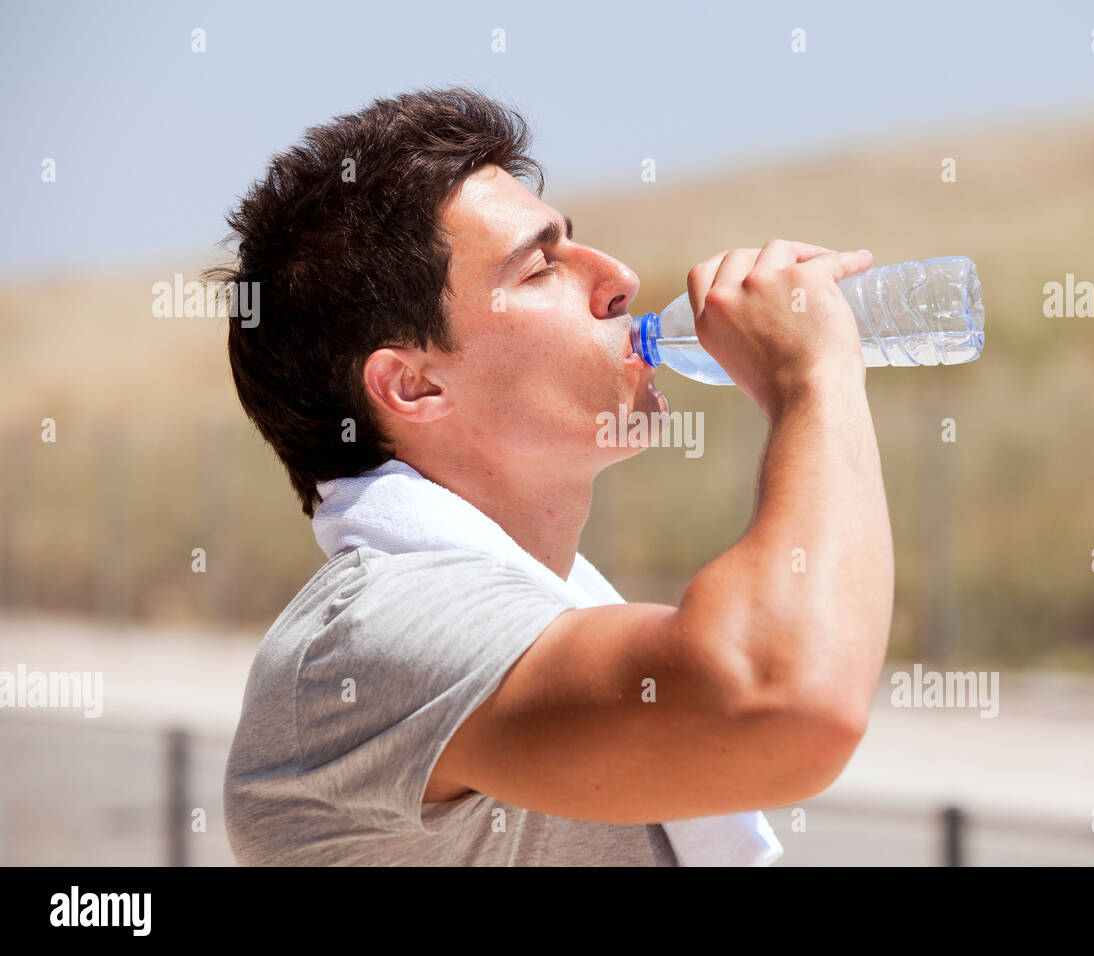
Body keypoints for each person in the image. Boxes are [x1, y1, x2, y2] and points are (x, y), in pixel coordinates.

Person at [215, 86, 894, 865]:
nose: (622, 278)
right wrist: (815, 380)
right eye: (541, 267)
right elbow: (782, 700)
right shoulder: (371, 637)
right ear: (415, 386)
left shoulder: (538, 614)